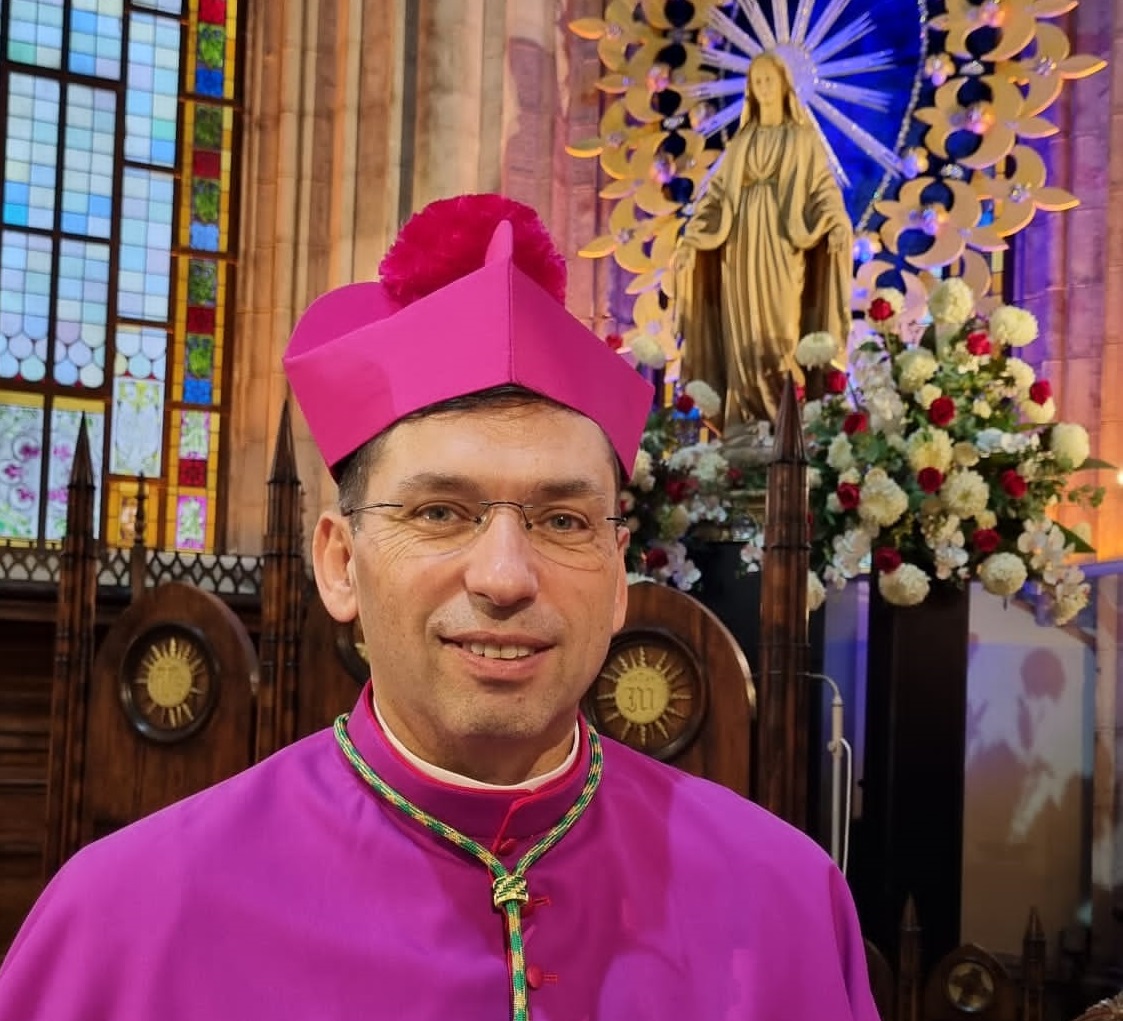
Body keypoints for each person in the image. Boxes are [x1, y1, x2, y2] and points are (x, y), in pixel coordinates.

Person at [0, 194, 877, 1020]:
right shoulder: (132, 914)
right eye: (438, 513)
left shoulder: (782, 898)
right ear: (340, 564)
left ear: (618, 575)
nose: (504, 576)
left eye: (562, 520)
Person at [676, 52, 853, 428]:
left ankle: (785, 422)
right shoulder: (742, 141)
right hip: (739, 247)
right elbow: (716, 196)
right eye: (756, 82)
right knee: (741, 339)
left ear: (785, 84)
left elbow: (823, 189)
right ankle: (744, 423)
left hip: (783, 245)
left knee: (781, 335)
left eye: (769, 79)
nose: (763, 87)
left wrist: (836, 223)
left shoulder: (802, 139)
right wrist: (692, 239)